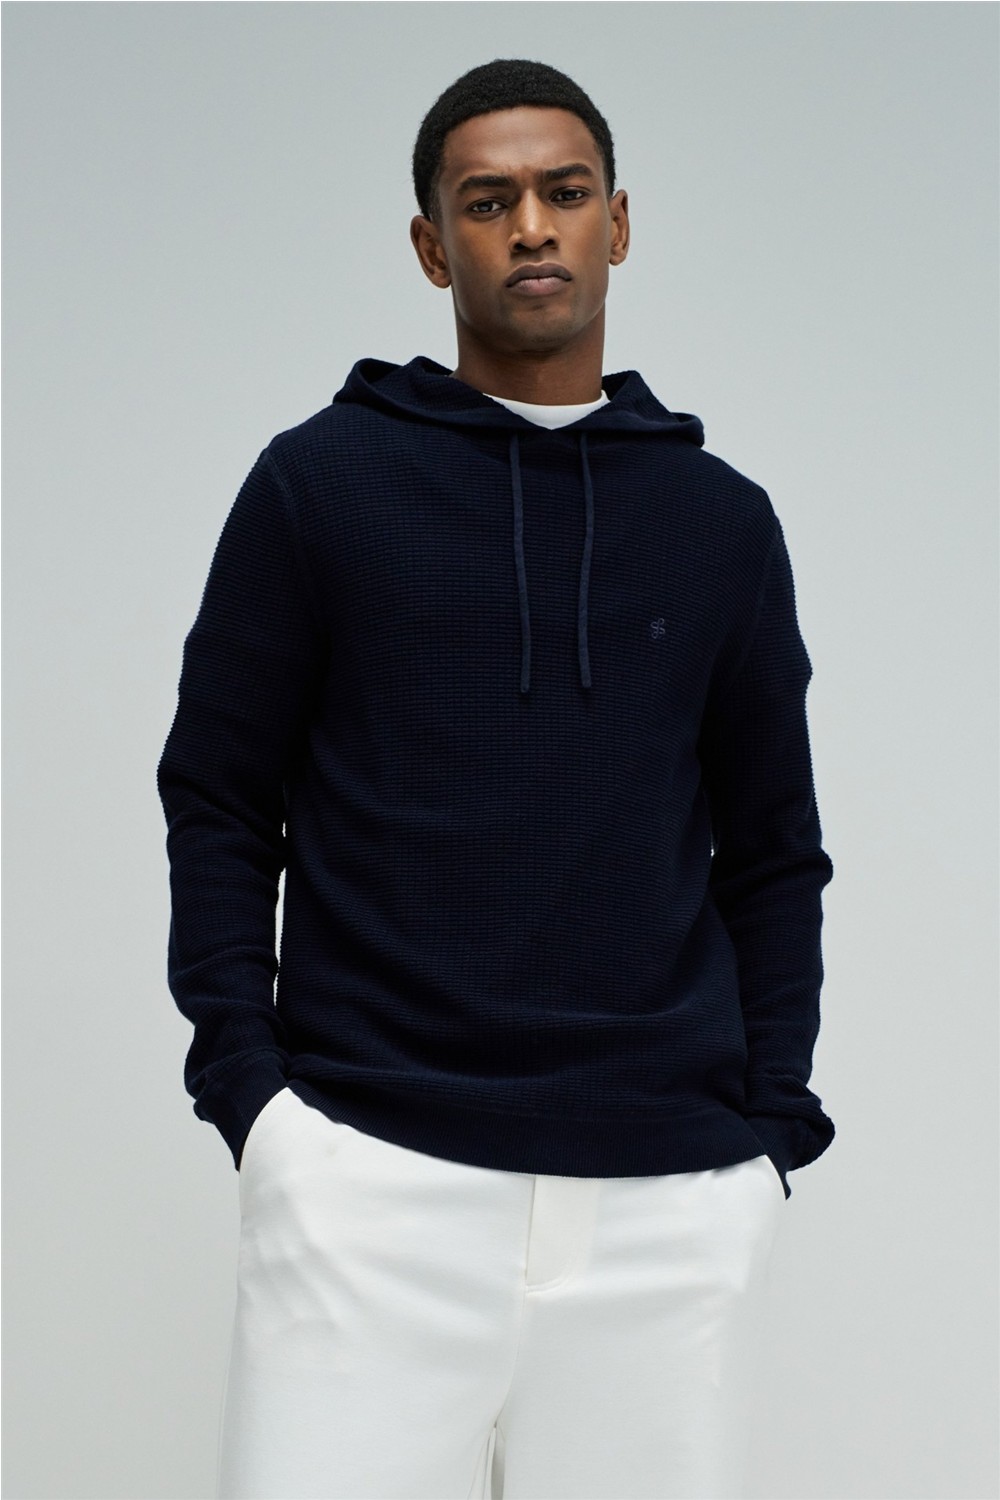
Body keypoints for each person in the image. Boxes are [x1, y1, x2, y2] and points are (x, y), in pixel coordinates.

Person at [157, 56, 835, 1500]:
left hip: (665, 1203)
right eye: (488, 201)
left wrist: (766, 1130)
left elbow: (775, 847)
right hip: (368, 1179)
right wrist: (255, 1104)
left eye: (564, 192)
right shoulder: (319, 487)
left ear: (618, 223)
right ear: (431, 246)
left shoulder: (720, 523)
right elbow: (217, 796)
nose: (532, 225)